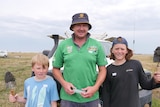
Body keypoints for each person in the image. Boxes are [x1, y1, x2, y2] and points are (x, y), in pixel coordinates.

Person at [52, 13, 107, 107]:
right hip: (68, 98)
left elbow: (103, 69)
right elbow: (55, 69)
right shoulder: (63, 45)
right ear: (72, 27)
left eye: (84, 25)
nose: (81, 28)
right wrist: (64, 84)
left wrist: (95, 88)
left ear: (88, 27)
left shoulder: (97, 45)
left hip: (91, 97)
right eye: (78, 25)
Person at [101, 36, 160, 107]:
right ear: (112, 50)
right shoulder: (108, 69)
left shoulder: (135, 64)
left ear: (126, 51)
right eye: (117, 49)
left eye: (122, 49)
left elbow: (146, 85)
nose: (119, 51)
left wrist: (155, 81)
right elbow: (106, 95)